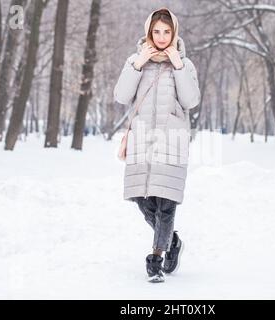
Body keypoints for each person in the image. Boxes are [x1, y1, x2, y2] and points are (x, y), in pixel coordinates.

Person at [113, 7, 201, 283]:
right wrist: (138, 64)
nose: (162, 37)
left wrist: (177, 65)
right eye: (156, 32)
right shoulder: (135, 61)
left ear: (174, 33)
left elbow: (190, 101)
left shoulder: (185, 64)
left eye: (167, 32)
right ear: (149, 32)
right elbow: (121, 95)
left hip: (171, 141)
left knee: (166, 204)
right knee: (141, 198)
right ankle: (173, 240)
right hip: (141, 140)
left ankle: (156, 257)